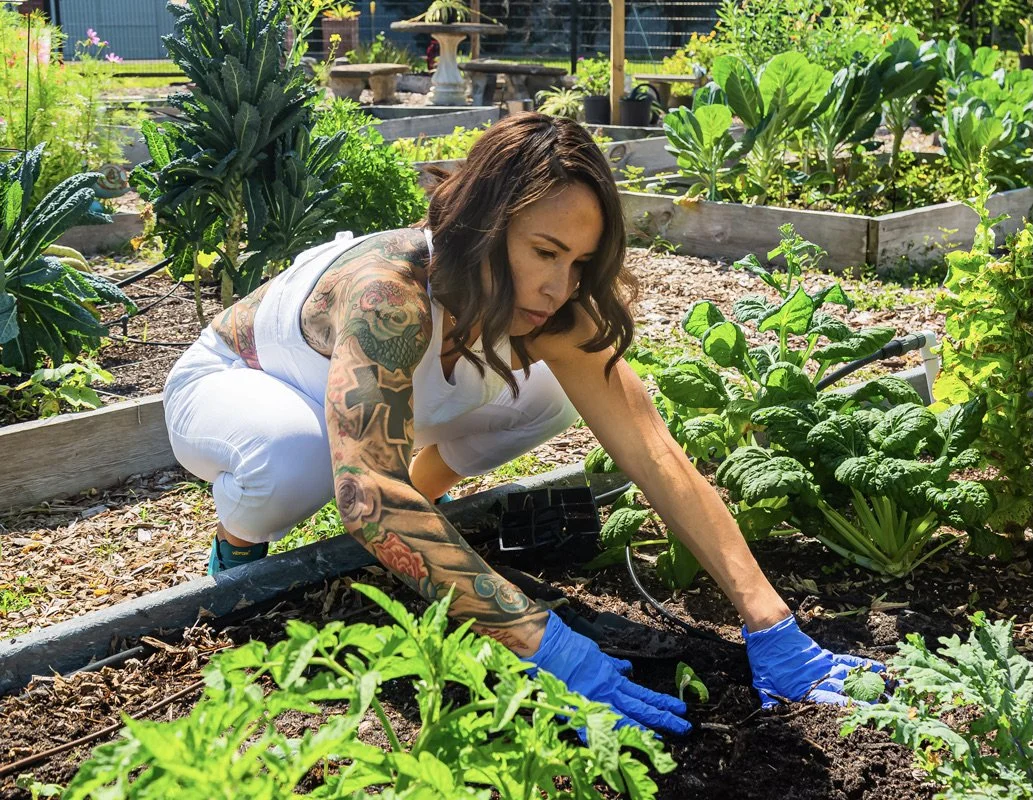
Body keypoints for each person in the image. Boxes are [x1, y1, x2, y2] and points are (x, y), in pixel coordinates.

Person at [162, 113, 882, 736]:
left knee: (547, 397)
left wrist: (772, 625)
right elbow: (365, 498)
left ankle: (427, 504)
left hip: (389, 398)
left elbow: (652, 449)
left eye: (578, 262)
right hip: (241, 382)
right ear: (482, 224)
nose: (557, 286)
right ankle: (236, 552)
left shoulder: (556, 307)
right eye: (543, 252)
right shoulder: (390, 294)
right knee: (297, 465)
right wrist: (542, 641)